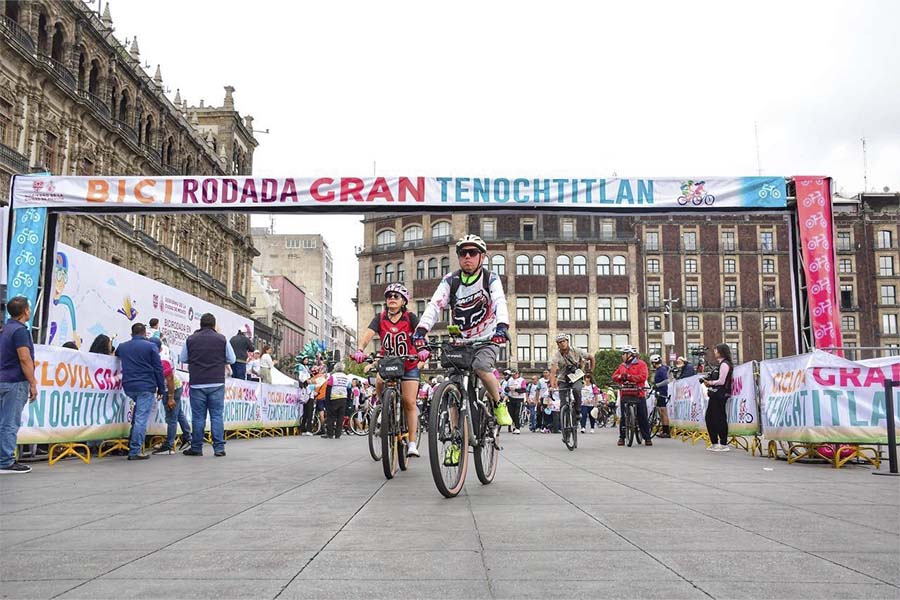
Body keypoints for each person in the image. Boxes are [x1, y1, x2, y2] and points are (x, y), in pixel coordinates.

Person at [412, 234, 511, 463]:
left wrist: (502, 327)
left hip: (487, 338)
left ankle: (498, 403)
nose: (467, 256)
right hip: (460, 342)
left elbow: (499, 302)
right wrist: (420, 331)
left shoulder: (490, 278)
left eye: (473, 252)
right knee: (454, 391)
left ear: (482, 257)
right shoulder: (451, 280)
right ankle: (456, 441)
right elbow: (435, 305)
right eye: (463, 253)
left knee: (481, 366)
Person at [353, 283, 423, 457]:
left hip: (409, 364)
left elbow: (422, 335)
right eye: (389, 296)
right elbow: (368, 335)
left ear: (404, 301)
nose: (392, 298)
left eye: (396, 296)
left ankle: (412, 443)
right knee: (378, 380)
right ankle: (383, 407)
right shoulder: (380, 317)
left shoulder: (410, 317)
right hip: (388, 362)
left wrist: (422, 349)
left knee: (409, 402)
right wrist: (360, 350)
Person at [179, 313, 235, 457]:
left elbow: (183, 358)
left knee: (198, 417)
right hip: (216, 382)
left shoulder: (190, 339)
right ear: (214, 324)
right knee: (216, 416)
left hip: (197, 382)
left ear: (200, 324)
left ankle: (196, 447)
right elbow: (232, 358)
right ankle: (219, 448)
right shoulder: (222, 339)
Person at [115, 322, 167, 461]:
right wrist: (161, 388)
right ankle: (135, 450)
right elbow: (158, 368)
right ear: (145, 333)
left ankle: (133, 443)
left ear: (132, 334)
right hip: (146, 386)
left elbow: (116, 354)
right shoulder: (151, 347)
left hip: (129, 386)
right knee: (141, 419)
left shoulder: (123, 347)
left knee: (137, 415)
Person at [0, 297, 38, 474]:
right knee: (9, 422)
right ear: (25, 311)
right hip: (15, 381)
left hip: (3, 378)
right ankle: (6, 460)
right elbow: (24, 357)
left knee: (3, 421)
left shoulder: (5, 329)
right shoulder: (20, 331)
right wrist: (32, 382)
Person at [549, 334, 594, 434]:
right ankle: (565, 426)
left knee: (576, 390)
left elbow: (591, 357)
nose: (562, 344)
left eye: (564, 341)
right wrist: (552, 386)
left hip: (576, 377)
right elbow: (553, 372)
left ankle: (578, 411)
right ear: (557, 344)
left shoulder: (576, 351)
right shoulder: (556, 355)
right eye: (560, 342)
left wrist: (591, 371)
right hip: (563, 379)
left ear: (567, 341)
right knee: (563, 403)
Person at [153, 342, 191, 454]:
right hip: (174, 386)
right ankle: (188, 437)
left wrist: (170, 397)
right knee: (178, 414)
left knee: (171, 417)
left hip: (171, 388)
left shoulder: (162, 360)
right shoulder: (162, 352)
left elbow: (169, 379)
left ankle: (169, 446)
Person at [612, 345, 652, 447]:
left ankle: (647, 438)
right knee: (624, 417)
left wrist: (630, 377)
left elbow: (643, 377)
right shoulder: (622, 366)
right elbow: (614, 376)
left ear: (629, 354)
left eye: (623, 354)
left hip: (638, 393)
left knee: (642, 416)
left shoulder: (641, 364)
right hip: (625, 392)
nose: (622, 356)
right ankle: (622, 437)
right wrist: (621, 376)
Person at [702, 344, 733, 451]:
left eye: (716, 351)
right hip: (715, 394)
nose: (715, 353)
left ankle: (723, 443)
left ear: (721, 352)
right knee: (710, 418)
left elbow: (722, 381)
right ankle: (714, 442)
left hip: (720, 394)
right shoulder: (720, 365)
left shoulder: (725, 364)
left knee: (719, 418)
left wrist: (710, 382)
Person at [324, 363, 350, 439]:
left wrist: (327, 400)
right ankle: (338, 434)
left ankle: (330, 433)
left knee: (331, 416)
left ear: (335, 368)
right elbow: (349, 390)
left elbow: (328, 388)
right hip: (343, 398)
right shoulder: (346, 377)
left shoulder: (333, 377)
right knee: (340, 417)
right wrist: (348, 401)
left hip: (334, 398)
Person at [650, 355, 671, 438]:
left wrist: (657, 385)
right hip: (659, 392)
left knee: (663, 411)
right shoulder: (660, 369)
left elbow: (667, 380)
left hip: (662, 392)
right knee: (661, 412)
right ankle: (664, 429)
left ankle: (666, 431)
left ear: (654, 363)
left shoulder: (661, 370)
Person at [504, 369, 526, 434]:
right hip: (511, 398)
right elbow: (506, 389)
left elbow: (524, 390)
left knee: (517, 413)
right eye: (512, 375)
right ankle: (514, 425)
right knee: (511, 413)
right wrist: (509, 389)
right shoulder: (510, 380)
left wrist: (516, 389)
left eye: (514, 375)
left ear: (517, 374)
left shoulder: (522, 380)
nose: (513, 376)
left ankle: (517, 427)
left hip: (519, 399)